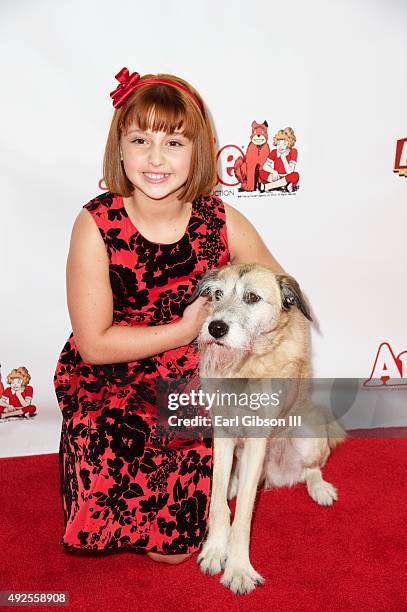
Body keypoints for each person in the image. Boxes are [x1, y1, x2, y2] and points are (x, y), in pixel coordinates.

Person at [53, 67, 285, 565]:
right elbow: (94, 344)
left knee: (174, 553)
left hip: (193, 377)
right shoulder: (95, 223)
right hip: (110, 375)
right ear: (119, 148)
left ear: (198, 153)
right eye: (141, 139)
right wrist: (182, 328)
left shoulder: (220, 220)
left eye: (175, 143)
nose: (156, 159)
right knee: (113, 455)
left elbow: (279, 293)